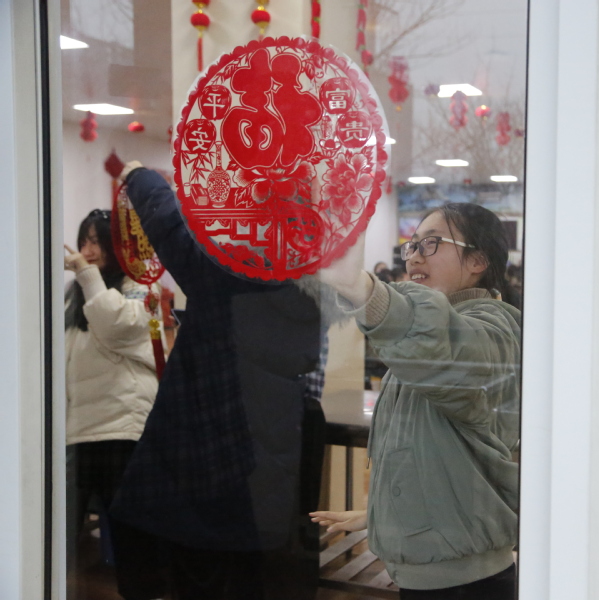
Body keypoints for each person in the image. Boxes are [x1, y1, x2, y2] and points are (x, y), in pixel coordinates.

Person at [110, 163, 331, 599]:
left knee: (200, 572)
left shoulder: (233, 273)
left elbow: (172, 230)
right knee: (245, 573)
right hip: (267, 464)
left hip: (211, 459)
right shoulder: (307, 286)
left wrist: (140, 176)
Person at [311, 203, 520, 599]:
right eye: (412, 245)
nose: (414, 256)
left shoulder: (496, 331)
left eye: (431, 243)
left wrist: (363, 289)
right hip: (436, 571)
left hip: (465, 584)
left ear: (478, 261)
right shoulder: (426, 342)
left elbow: (448, 349)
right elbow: (437, 455)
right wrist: (379, 515)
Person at [64, 209, 166, 600]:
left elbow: (117, 325)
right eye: (84, 240)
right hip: (80, 429)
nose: (88, 250)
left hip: (123, 427)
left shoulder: (144, 289)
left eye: (97, 241)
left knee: (131, 534)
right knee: (61, 529)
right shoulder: (76, 295)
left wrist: (86, 276)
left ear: (117, 245)